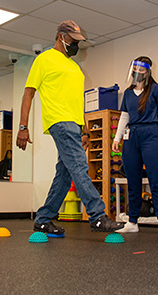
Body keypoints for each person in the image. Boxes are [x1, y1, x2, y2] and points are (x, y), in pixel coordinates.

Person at [16, 20, 124, 237]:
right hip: (59, 121)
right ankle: (97, 216)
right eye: (73, 40)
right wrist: (22, 126)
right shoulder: (43, 59)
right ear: (61, 37)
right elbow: (28, 93)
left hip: (74, 124)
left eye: (78, 41)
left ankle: (43, 220)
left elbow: (78, 100)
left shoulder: (75, 67)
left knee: (65, 175)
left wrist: (84, 130)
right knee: (79, 166)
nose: (76, 45)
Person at [112, 56, 158, 236]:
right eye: (136, 70)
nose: (138, 73)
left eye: (142, 70)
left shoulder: (156, 89)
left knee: (156, 179)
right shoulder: (127, 93)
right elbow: (124, 117)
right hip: (131, 137)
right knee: (133, 181)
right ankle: (132, 221)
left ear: (147, 72)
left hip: (151, 135)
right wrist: (117, 138)